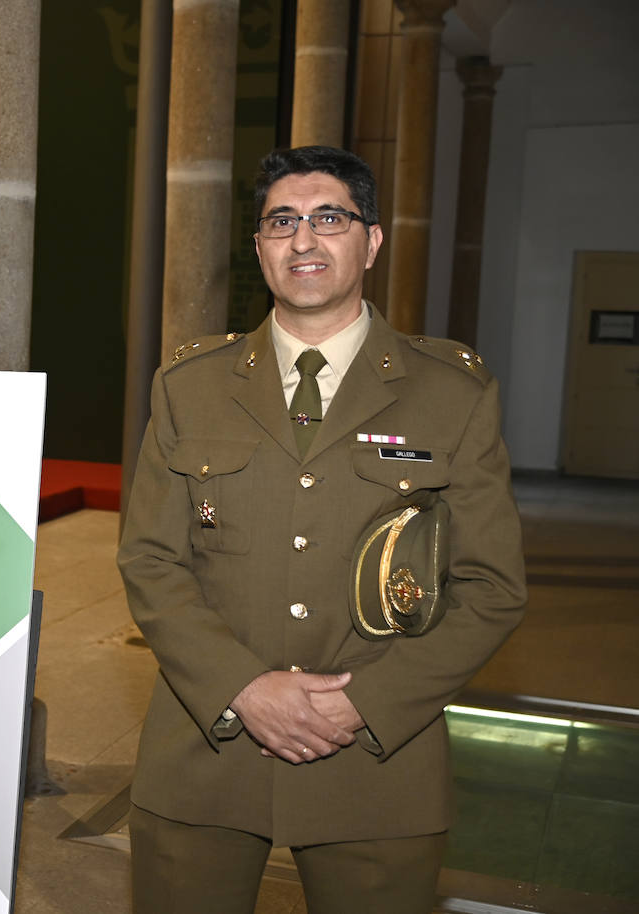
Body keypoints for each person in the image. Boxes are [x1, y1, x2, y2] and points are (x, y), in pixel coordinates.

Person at [117, 146, 527, 914]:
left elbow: (492, 588)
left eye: (328, 217)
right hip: (209, 744)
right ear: (261, 248)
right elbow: (150, 559)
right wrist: (241, 686)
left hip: (377, 763)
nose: (303, 240)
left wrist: (365, 704)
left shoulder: (452, 393)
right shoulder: (188, 386)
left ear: (370, 241)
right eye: (282, 222)